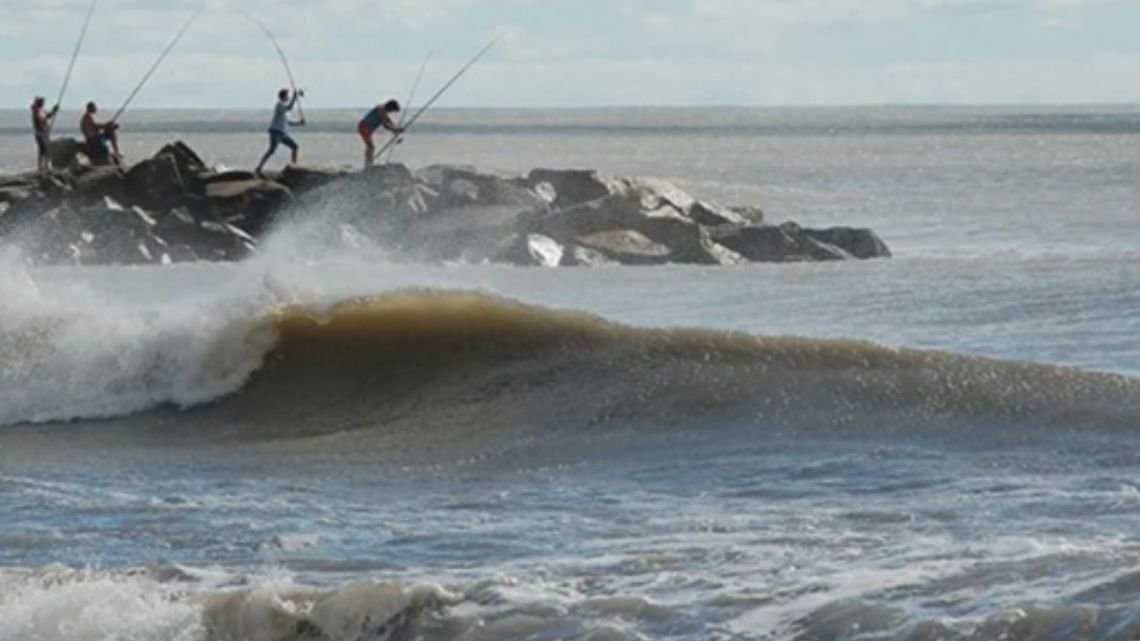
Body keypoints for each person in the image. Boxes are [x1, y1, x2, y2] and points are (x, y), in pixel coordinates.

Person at [255, 88, 305, 176]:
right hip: (275, 132)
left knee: (295, 147)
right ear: (282, 96)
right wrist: (294, 97)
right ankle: (259, 167)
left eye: (288, 95)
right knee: (272, 150)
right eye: (287, 95)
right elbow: (289, 107)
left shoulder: (284, 110)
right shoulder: (279, 105)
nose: (288, 97)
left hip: (282, 133)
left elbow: (289, 123)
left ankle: (294, 166)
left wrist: (299, 123)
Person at [358, 99, 403, 168]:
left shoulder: (383, 112)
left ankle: (369, 161)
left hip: (368, 129)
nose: (391, 112)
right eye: (392, 110)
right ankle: (368, 164)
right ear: (390, 108)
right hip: (364, 127)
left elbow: (388, 121)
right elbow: (386, 125)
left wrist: (395, 128)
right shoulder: (381, 110)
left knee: (370, 147)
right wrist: (395, 129)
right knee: (370, 146)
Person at [79, 101, 121, 166]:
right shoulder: (87, 117)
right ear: (90, 108)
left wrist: (110, 126)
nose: (96, 109)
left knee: (111, 132)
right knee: (110, 131)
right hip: (93, 139)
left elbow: (98, 128)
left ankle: (117, 152)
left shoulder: (89, 117)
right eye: (94, 108)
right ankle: (115, 154)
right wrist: (107, 125)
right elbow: (95, 127)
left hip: (97, 137)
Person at [31, 97, 60, 172]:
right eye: (42, 102)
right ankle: (42, 166)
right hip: (40, 133)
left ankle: (45, 165)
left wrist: (54, 110)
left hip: (44, 132)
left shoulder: (42, 110)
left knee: (46, 149)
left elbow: (48, 116)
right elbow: (38, 122)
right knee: (43, 149)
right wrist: (44, 129)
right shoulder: (35, 111)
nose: (43, 103)